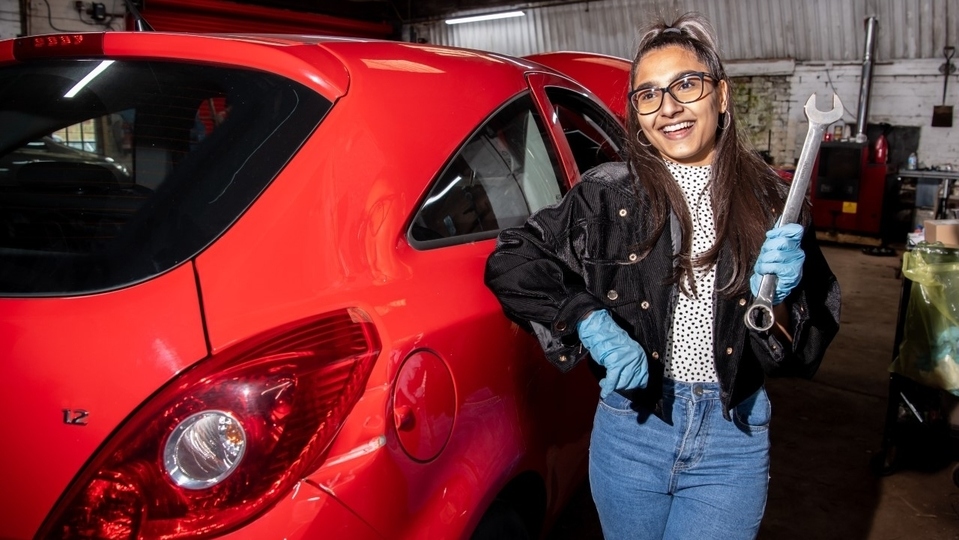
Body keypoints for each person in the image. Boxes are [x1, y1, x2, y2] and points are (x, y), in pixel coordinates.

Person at [484, 12, 841, 540]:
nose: (668, 107)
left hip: (732, 433)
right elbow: (513, 257)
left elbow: (801, 352)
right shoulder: (607, 194)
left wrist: (783, 296)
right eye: (648, 95)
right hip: (633, 428)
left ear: (720, 96)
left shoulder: (774, 201)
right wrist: (586, 320)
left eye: (686, 85)